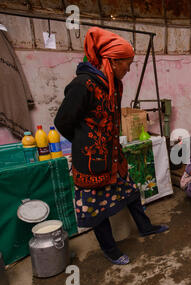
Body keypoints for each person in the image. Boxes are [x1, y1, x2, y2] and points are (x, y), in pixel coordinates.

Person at [54, 27, 168, 265]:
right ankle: (110, 249)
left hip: (114, 156)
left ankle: (145, 227)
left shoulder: (114, 84)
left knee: (132, 192)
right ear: (112, 61)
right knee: (96, 210)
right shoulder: (83, 84)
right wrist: (86, 145)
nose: (128, 68)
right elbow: (62, 122)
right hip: (90, 162)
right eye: (127, 63)